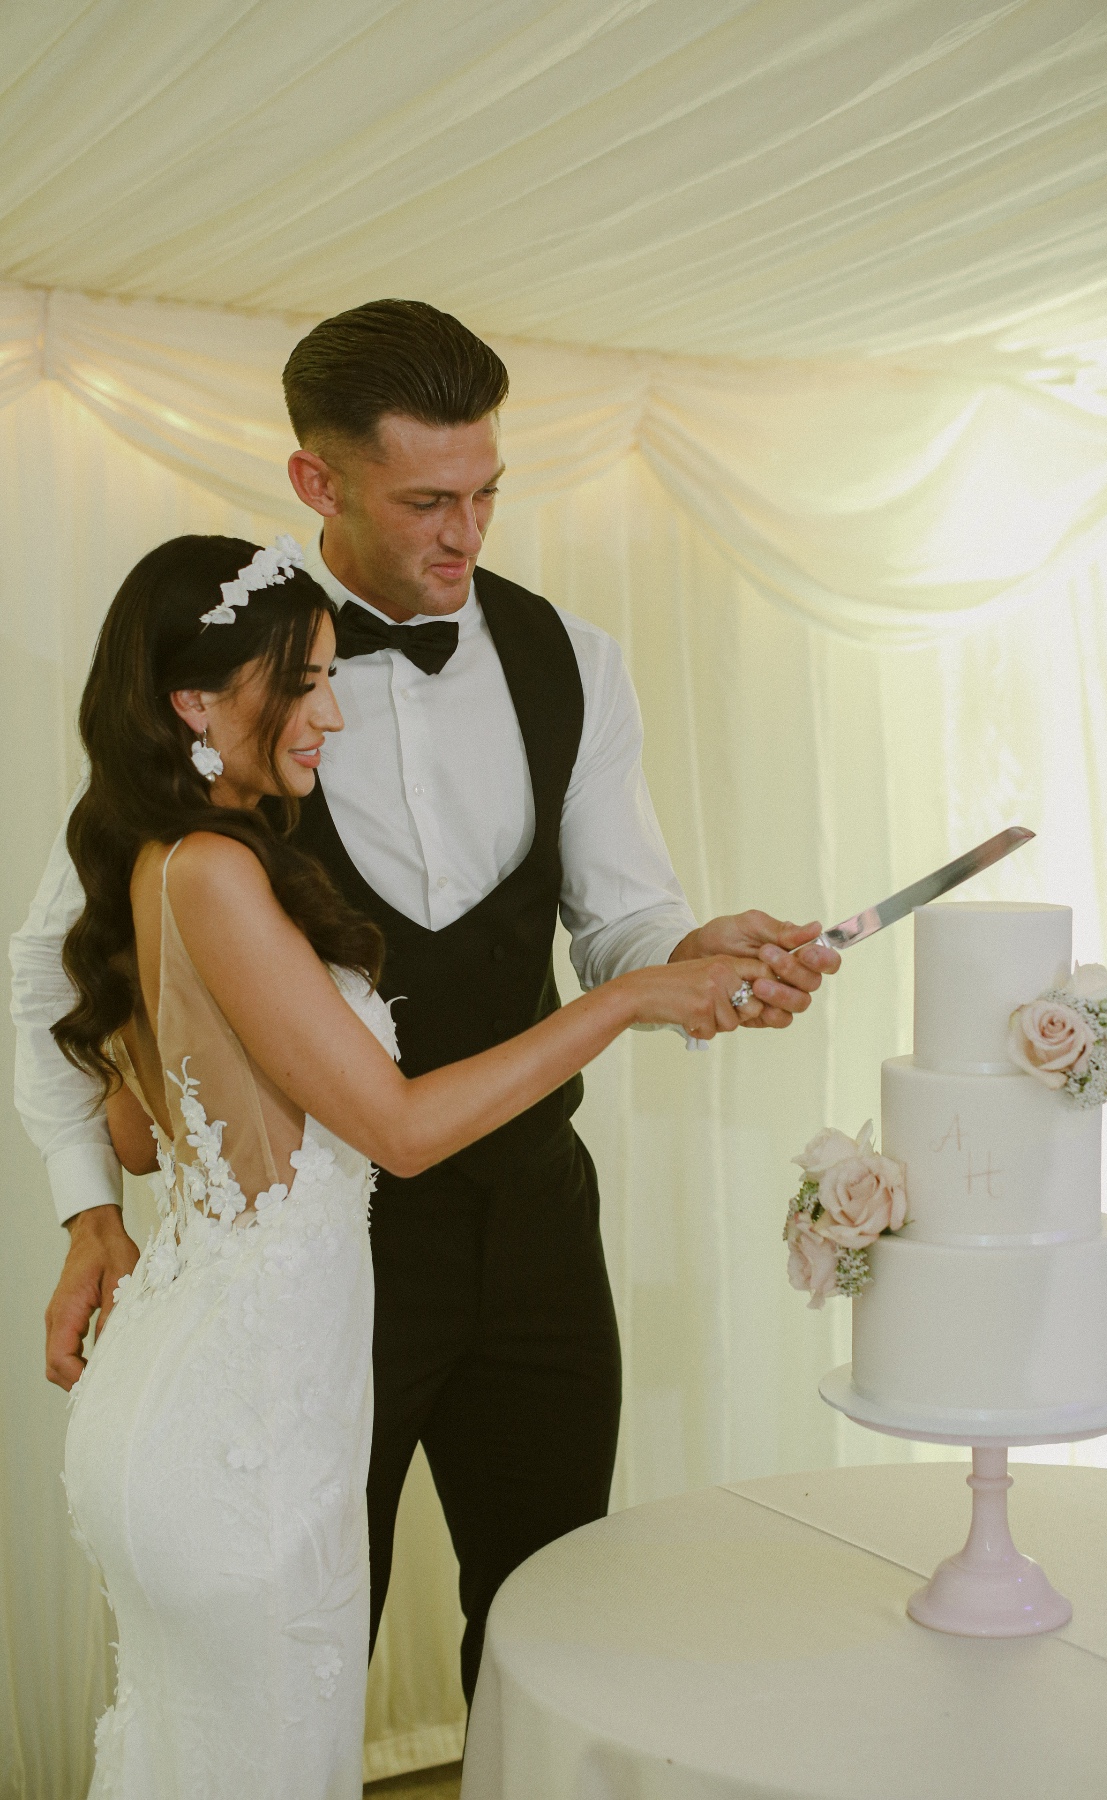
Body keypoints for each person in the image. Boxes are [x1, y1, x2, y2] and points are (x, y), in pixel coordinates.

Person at [12, 300, 840, 1712]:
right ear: (316, 483)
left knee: (558, 1604)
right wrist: (90, 1206)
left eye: (487, 494)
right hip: (322, 1246)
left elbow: (618, 918)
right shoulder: (222, 684)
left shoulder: (573, 656)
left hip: (531, 1215)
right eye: (428, 501)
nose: (467, 535)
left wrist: (689, 951)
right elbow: (52, 965)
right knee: (306, 1619)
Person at [51, 532, 777, 1796]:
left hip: (210, 1369)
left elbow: (138, 1127)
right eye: (306, 681)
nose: (332, 713)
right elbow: (396, 1127)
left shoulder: (154, 860)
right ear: (193, 703)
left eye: (336, 675)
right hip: (251, 1412)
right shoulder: (217, 870)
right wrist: (625, 1004)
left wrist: (667, 954)